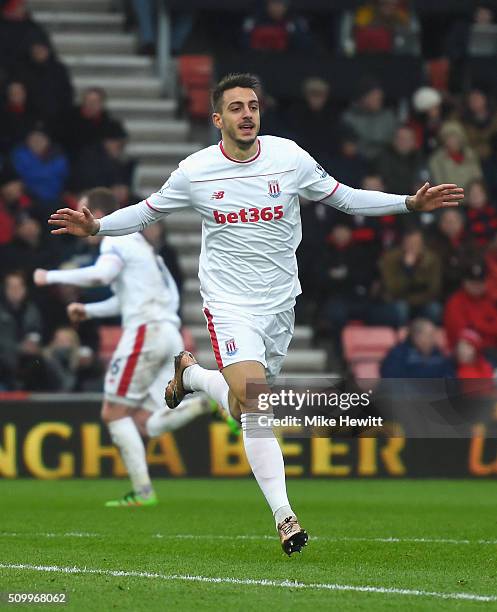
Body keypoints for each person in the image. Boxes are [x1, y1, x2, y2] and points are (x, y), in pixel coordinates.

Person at [48, 73, 464, 554]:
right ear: (218, 118)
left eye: (253, 106)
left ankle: (194, 376)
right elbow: (147, 211)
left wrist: (409, 203)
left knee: (248, 408)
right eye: (237, 107)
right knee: (256, 401)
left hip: (281, 304)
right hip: (229, 303)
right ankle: (285, 517)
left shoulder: (289, 158)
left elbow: (346, 198)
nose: (247, 114)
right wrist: (97, 226)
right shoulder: (195, 170)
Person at [35, 188, 213, 507]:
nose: (77, 217)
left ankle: (143, 492)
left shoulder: (114, 240)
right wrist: (88, 311)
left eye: (82, 211)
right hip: (167, 331)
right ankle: (202, 403)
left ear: (97, 214)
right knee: (147, 420)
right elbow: (126, 297)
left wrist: (49, 276)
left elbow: (102, 275)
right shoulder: (140, 246)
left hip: (146, 332)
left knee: (113, 412)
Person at [375, 228, 443, 326]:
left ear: (422, 244)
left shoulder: (432, 260)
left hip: (423, 302)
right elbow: (393, 289)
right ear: (403, 243)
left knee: (435, 309)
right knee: (401, 308)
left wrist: (413, 300)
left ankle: (428, 338)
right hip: (398, 302)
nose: (412, 247)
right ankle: (402, 337)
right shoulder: (390, 259)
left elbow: (434, 290)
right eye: (409, 243)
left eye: (416, 243)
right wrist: (407, 269)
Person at [444, 261, 497, 354]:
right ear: (464, 282)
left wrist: (479, 328)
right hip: (466, 351)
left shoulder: (491, 300)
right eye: (473, 282)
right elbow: (461, 334)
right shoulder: (455, 302)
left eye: (480, 282)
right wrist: (487, 330)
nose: (476, 286)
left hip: (492, 347)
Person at [380, 318, 454, 378]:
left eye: (434, 335)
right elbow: (391, 380)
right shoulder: (397, 354)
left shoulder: (438, 353)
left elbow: (449, 376)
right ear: (417, 336)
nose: (433, 339)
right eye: (430, 335)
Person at [429, 121, 483, 190]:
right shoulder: (437, 160)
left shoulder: (471, 155)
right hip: (450, 198)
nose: (452, 141)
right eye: (448, 138)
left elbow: (478, 178)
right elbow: (439, 184)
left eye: (455, 137)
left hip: (472, 197)